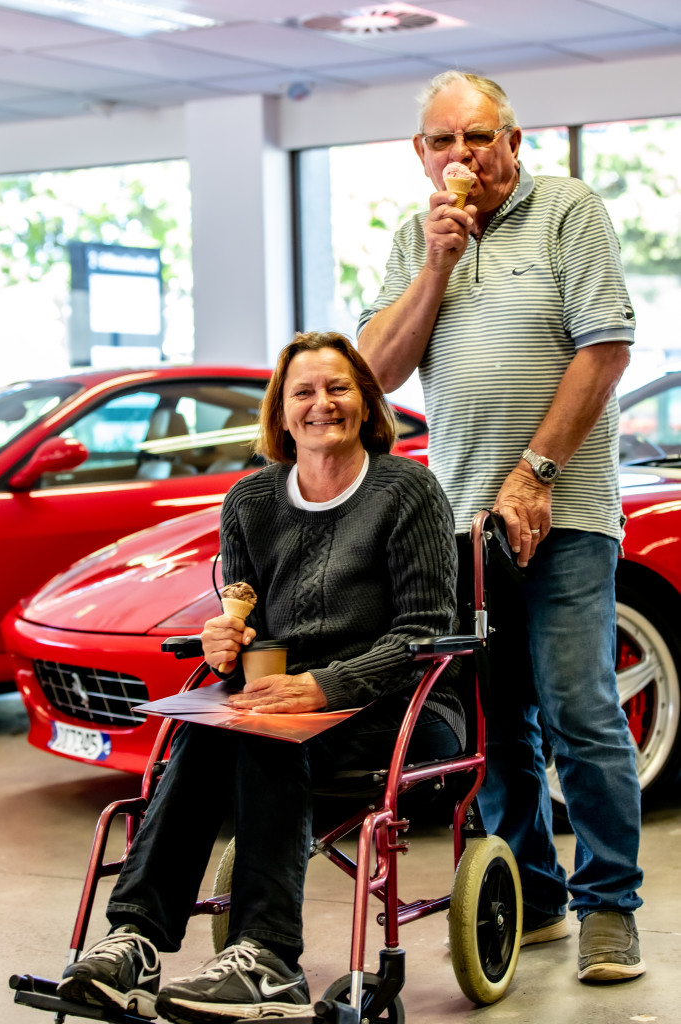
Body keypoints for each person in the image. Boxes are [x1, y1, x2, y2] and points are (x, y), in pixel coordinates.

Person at [57, 331, 464, 1023]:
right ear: (280, 412)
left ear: (366, 403)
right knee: (205, 725)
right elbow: (248, 629)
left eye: (338, 388)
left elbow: (422, 634)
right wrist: (224, 641)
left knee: (262, 730)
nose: (321, 404)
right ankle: (135, 940)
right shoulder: (250, 500)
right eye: (303, 392)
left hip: (402, 704)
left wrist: (322, 686)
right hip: (279, 700)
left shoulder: (406, 491)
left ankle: (268, 960)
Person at [357, 70, 645, 984]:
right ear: (421, 154)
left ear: (512, 143)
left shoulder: (567, 211)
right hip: (461, 522)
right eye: (443, 141)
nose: (462, 156)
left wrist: (535, 473)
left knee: (579, 709)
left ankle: (610, 906)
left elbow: (605, 350)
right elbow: (375, 374)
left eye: (479, 137)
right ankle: (537, 897)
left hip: (567, 511)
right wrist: (436, 266)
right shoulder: (413, 240)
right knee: (497, 724)